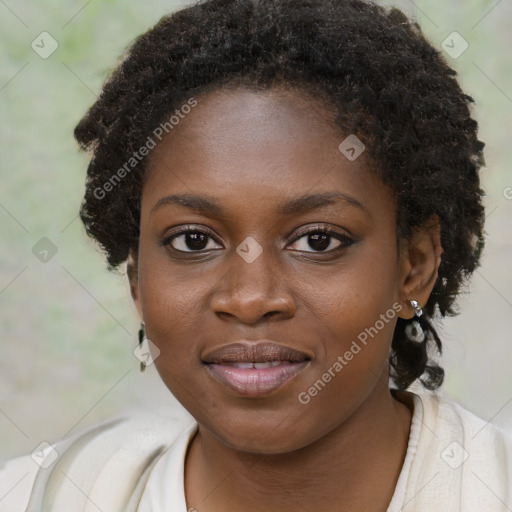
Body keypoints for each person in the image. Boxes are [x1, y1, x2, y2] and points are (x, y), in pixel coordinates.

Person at [1, 0, 511, 510]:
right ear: (137, 279)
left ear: (415, 267)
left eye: (318, 240)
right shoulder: (40, 496)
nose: (249, 298)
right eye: (193, 241)